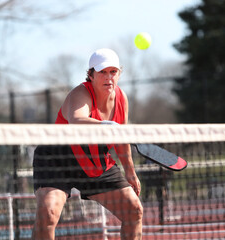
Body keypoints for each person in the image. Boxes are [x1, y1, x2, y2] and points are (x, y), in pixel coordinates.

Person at [32, 48, 143, 240]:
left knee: (134, 211)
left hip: (94, 160)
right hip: (57, 158)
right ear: (90, 74)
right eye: (102, 72)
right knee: (48, 213)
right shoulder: (80, 93)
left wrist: (130, 171)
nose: (108, 77)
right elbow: (77, 119)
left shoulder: (121, 98)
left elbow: (121, 138)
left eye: (113, 72)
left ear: (119, 74)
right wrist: (107, 124)